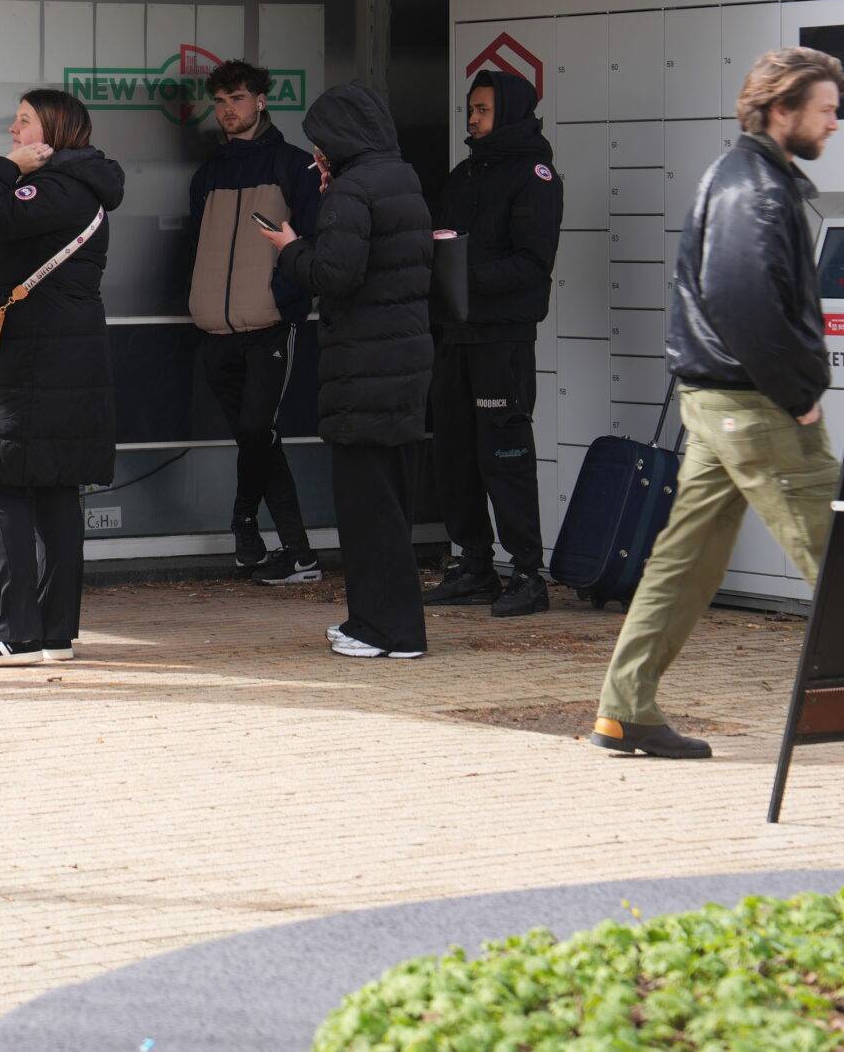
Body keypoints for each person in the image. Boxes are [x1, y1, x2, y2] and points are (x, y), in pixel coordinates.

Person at [592, 48, 844, 760]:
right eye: (824, 107)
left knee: (687, 558)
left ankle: (624, 709)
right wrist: (799, 393)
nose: (835, 120)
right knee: (842, 549)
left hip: (716, 400)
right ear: (780, 110)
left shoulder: (744, 177)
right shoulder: (757, 190)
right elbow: (745, 303)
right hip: (755, 403)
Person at [258, 84, 431, 660]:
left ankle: (385, 631)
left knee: (367, 510)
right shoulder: (401, 179)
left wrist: (289, 246)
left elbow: (335, 275)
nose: (316, 159)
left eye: (321, 146)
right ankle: (382, 623)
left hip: (363, 370)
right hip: (402, 366)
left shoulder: (351, 192)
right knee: (390, 506)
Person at [0, 90, 123, 668]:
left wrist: (4, 170)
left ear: (53, 130)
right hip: (56, 360)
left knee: (2, 484)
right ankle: (53, 632)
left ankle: (15, 630)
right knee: (54, 491)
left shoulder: (55, 188)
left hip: (31, 362)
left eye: (23, 122)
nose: (13, 134)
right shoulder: (81, 187)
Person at [425, 69, 564, 618]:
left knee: (503, 452)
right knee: (453, 450)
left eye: (481, 110)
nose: (473, 120)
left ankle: (528, 572)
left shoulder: (536, 176)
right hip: (454, 334)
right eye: (469, 111)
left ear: (506, 111)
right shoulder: (463, 175)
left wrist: (466, 275)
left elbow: (533, 264)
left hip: (502, 339)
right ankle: (474, 564)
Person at [185, 61, 322, 584]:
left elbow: (310, 244)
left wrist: (285, 300)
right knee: (255, 439)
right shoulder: (209, 173)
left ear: (262, 100)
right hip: (214, 330)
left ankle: (264, 532)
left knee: (255, 430)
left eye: (238, 98)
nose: (228, 110)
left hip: (268, 325)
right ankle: (289, 547)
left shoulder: (294, 166)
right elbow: (196, 246)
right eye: (220, 101)